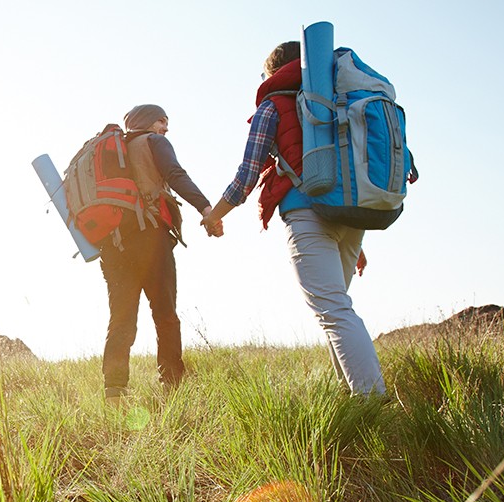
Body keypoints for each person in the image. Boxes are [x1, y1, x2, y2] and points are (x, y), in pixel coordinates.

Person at [200, 41, 387, 396]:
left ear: (273, 73)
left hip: (308, 214)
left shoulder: (273, 105)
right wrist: (354, 240)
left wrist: (214, 215)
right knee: (336, 311)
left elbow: (246, 176)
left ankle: (373, 402)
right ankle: (352, 396)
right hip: (351, 215)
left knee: (333, 311)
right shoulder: (337, 101)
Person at [100, 104, 217, 404]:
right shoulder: (153, 142)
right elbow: (175, 175)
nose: (166, 128)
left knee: (121, 319)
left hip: (113, 245)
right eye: (162, 121)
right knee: (165, 315)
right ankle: (172, 386)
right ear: (148, 123)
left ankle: (114, 392)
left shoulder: (113, 151)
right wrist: (206, 208)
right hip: (149, 238)